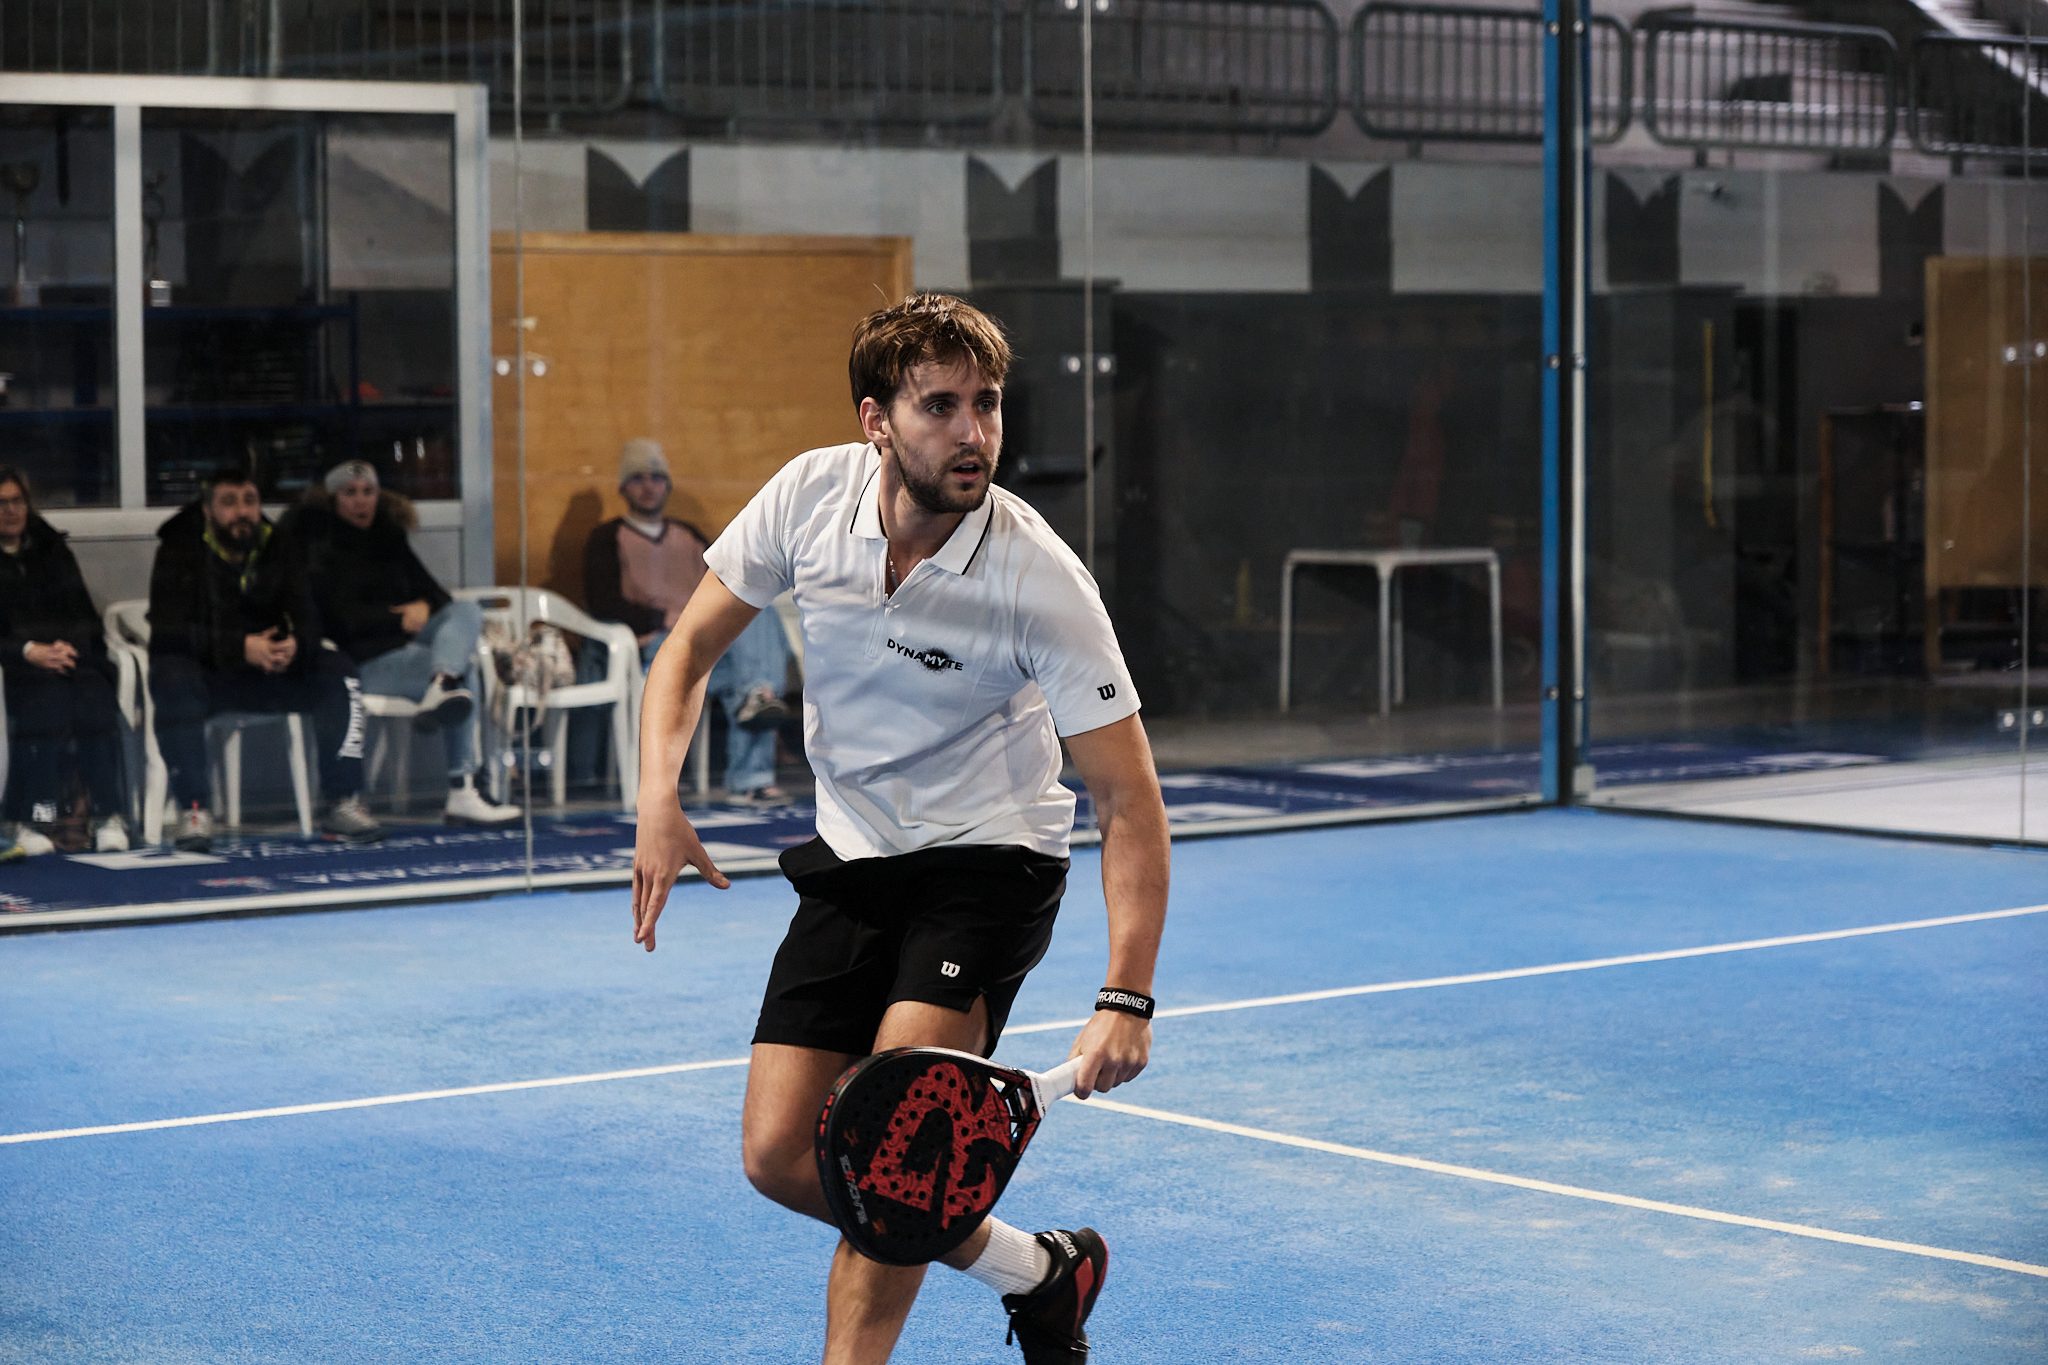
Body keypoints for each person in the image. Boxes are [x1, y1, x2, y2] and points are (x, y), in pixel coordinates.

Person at [631, 294, 1170, 1364]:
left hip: (987, 862)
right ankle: (1039, 1271)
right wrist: (658, 798)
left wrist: (1126, 995)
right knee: (780, 1155)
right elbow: (687, 649)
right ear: (875, 420)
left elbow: (1129, 801)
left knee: (893, 1146)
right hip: (855, 852)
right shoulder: (807, 497)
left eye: (988, 404)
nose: (974, 433)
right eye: (941, 406)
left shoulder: (1038, 578)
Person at [146, 464, 383, 851]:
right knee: (171, 676)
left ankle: (344, 800)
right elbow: (168, 632)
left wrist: (296, 645)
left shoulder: (279, 544)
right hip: (209, 674)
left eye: (250, 501)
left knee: (338, 671)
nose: (242, 512)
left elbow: (309, 615)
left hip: (268, 671)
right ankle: (193, 809)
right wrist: (240, 647)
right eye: (229, 502)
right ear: (207, 510)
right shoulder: (178, 548)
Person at [284, 460, 518, 827]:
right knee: (467, 671)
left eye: (368, 492)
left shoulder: (388, 536)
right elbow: (339, 619)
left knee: (467, 611)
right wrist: (396, 619)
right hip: (364, 660)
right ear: (333, 499)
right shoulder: (318, 546)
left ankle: (440, 682)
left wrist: (423, 606)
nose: (361, 501)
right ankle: (462, 788)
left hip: (411, 648)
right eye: (350, 493)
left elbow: (437, 595)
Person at [580, 436, 794, 804]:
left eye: (656, 478)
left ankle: (758, 704)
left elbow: (729, 582)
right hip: (655, 647)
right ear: (623, 488)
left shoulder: (688, 535)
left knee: (759, 612)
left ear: (667, 485)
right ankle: (753, 764)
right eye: (638, 478)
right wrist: (665, 616)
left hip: (707, 645)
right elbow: (603, 604)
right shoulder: (607, 537)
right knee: (750, 675)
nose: (648, 486)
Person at [0, 466, 128, 853]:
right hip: (15, 669)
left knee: (95, 696)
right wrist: (29, 651)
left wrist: (65, 649)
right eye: (1, 503)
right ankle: (34, 818)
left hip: (66, 660)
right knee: (48, 704)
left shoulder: (52, 549)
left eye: (17, 501)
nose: (10, 510)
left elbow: (83, 615)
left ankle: (107, 815)